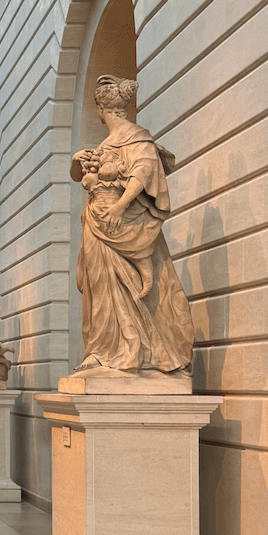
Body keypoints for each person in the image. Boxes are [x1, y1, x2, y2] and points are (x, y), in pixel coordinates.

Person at [70, 75, 194, 373]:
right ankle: (101, 350)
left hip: (121, 224)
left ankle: (134, 349)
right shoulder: (106, 144)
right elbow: (81, 175)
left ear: (100, 109)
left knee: (125, 286)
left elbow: (144, 173)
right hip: (98, 226)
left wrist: (120, 206)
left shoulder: (136, 137)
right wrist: (77, 159)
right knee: (99, 287)